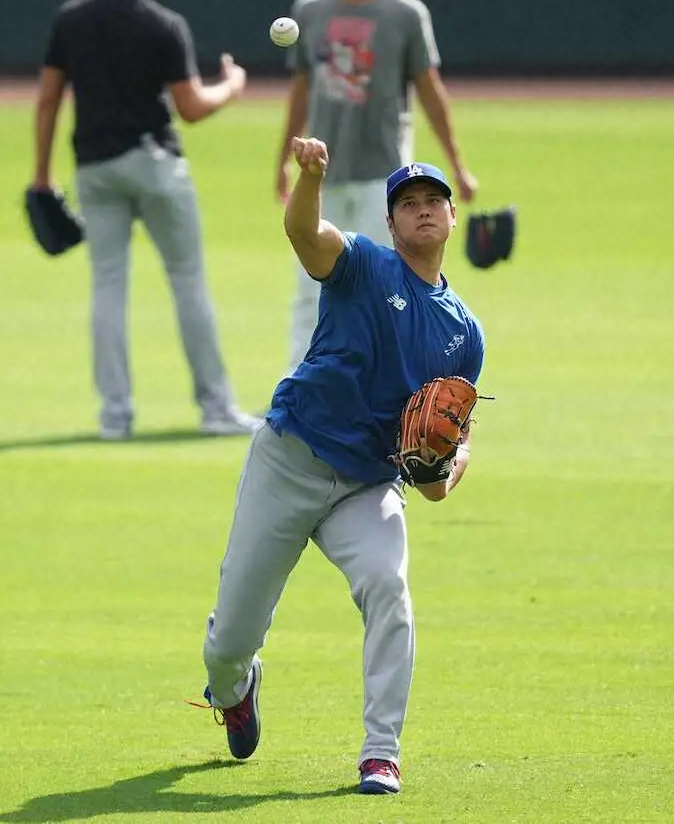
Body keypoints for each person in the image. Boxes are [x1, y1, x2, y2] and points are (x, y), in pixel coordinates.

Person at [197, 138, 486, 796]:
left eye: (432, 200)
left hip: (366, 483)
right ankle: (235, 688)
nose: (421, 210)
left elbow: (435, 482)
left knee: (390, 586)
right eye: (407, 203)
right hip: (290, 457)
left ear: (450, 216)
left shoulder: (463, 334)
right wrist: (311, 176)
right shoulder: (361, 264)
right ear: (390, 223)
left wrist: (459, 454)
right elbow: (304, 232)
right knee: (227, 643)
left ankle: (381, 752)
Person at [31, 0, 259, 440]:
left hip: (94, 167)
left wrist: (42, 175)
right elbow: (192, 107)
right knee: (187, 282)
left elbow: (48, 100)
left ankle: (115, 416)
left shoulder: (71, 19)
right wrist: (232, 86)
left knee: (108, 287)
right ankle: (216, 408)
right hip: (154, 164)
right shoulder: (163, 24)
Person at [276, 0, 479, 372]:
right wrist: (282, 163)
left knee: (387, 289)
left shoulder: (404, 13)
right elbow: (301, 91)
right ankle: (297, 388)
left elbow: (430, 90)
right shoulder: (311, 10)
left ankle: (385, 387)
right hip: (321, 173)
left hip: (383, 176)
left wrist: (458, 163)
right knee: (309, 292)